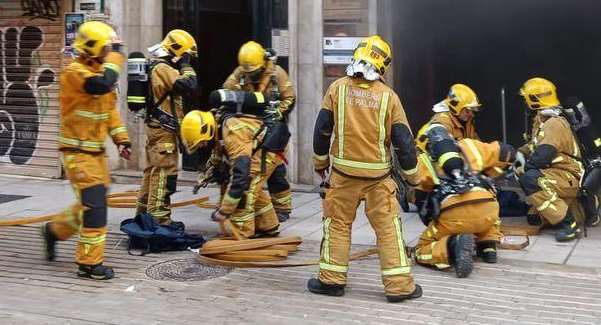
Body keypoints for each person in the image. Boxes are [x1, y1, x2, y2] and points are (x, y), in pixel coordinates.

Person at [310, 35, 422, 303]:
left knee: (337, 226)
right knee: (388, 230)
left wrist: (320, 163)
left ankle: (332, 281)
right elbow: (404, 143)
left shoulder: (337, 88)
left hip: (343, 177)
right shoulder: (389, 97)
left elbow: (322, 130)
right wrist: (413, 178)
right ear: (383, 65)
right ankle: (399, 287)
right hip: (378, 180)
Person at [43, 21, 132, 280]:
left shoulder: (99, 71)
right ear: (92, 48)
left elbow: (110, 112)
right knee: (95, 208)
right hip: (77, 153)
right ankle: (89, 264)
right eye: (105, 49)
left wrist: (122, 139)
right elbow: (101, 85)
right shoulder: (75, 72)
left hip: (96, 155)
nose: (108, 53)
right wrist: (117, 54)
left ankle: (54, 231)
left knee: (90, 204)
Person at [412, 124, 516, 277]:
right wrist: (489, 174)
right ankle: (488, 246)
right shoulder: (469, 145)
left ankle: (453, 245)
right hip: (487, 209)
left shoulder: (422, 161)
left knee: (421, 250)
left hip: (453, 216)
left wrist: (434, 223)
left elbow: (421, 202)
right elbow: (508, 152)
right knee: (486, 200)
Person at [180, 88, 280, 240]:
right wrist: (210, 172)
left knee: (245, 190)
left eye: (201, 143)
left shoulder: (232, 133)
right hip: (256, 148)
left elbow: (240, 175)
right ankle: (269, 226)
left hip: (268, 151)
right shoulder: (217, 122)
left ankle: (241, 233)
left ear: (206, 132)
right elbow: (218, 151)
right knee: (252, 188)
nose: (202, 146)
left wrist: (225, 210)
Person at [221, 41, 297, 221]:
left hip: (273, 127)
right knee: (248, 169)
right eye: (248, 73)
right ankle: (250, 206)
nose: (251, 76)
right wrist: (236, 90)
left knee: (276, 171)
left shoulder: (277, 73)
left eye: (254, 73)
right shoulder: (240, 72)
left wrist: (277, 112)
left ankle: (282, 208)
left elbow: (290, 98)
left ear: (263, 64)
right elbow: (226, 89)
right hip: (249, 127)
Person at [131, 29, 198, 226]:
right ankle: (159, 220)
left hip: (158, 129)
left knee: (152, 172)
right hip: (163, 132)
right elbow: (190, 84)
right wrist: (185, 64)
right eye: (186, 54)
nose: (188, 59)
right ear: (177, 51)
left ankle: (143, 216)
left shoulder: (159, 67)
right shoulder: (163, 68)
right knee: (164, 175)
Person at [517, 77, 584, 242]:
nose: (524, 104)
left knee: (530, 179)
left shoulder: (553, 123)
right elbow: (536, 145)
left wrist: (525, 168)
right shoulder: (542, 120)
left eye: (526, 99)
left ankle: (569, 224)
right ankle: (575, 210)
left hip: (568, 175)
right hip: (557, 173)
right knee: (534, 218)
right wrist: (519, 153)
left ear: (534, 100)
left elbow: (543, 155)